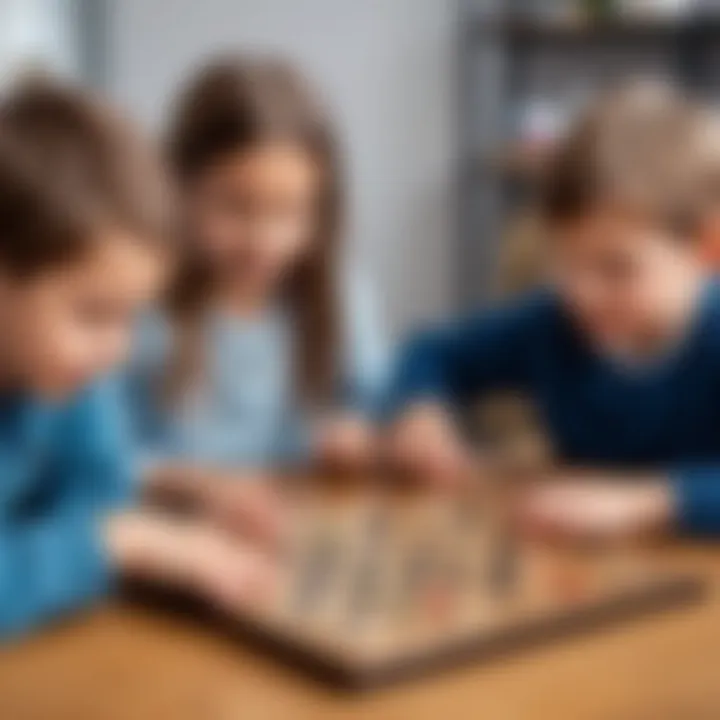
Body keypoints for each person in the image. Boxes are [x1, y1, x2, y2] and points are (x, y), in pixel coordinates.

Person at [0, 78, 274, 638]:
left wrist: (84, 541)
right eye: (94, 313)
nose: (119, 350)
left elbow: (104, 491)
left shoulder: (70, 375)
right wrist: (112, 543)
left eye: (131, 316)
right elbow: (108, 529)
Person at [387, 80, 720, 540]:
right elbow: (430, 351)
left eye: (616, 268)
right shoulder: (552, 325)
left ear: (706, 247)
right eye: (566, 263)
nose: (582, 293)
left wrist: (649, 503)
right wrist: (419, 412)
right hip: (595, 576)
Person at [125, 56, 388, 511]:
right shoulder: (139, 304)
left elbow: (376, 402)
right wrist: (190, 485)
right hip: (172, 526)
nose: (263, 240)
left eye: (290, 212)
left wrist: (360, 431)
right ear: (178, 188)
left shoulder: (340, 293)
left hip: (307, 528)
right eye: (235, 207)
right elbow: (97, 455)